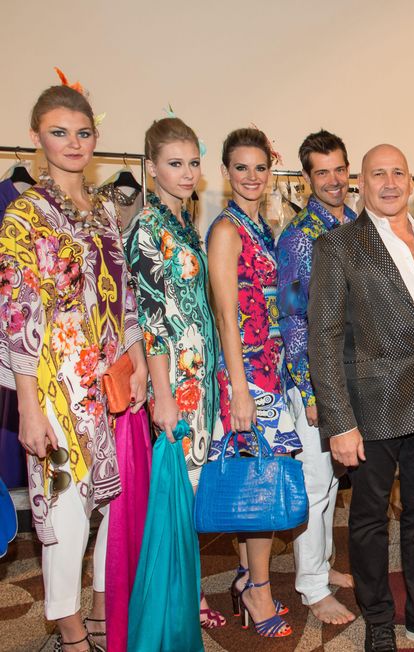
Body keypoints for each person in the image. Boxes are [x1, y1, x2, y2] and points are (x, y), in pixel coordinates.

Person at [308, 144, 414, 652]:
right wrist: (340, 422)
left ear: (411, 181)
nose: (389, 183)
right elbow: (323, 340)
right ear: (360, 183)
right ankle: (379, 619)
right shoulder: (338, 245)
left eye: (398, 173)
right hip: (371, 408)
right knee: (368, 521)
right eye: (378, 174)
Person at [0, 83, 148, 651]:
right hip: (55, 380)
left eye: (83, 133)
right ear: (36, 137)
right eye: (59, 132)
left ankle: (105, 605)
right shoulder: (24, 213)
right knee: (65, 505)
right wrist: (28, 407)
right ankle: (67, 626)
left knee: (114, 501)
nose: (73, 143)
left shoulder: (106, 209)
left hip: (110, 377)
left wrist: (137, 362)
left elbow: (125, 296)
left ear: (96, 138)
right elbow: (16, 312)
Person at [126, 116, 223, 629]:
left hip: (200, 379)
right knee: (177, 493)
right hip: (177, 386)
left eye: (193, 163)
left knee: (191, 490)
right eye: (174, 163)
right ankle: (183, 600)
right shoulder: (147, 227)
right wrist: (162, 395)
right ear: (151, 167)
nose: (187, 173)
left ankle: (189, 590)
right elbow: (151, 320)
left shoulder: (182, 222)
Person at [206, 127, 301, 639]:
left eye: (260, 167)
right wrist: (240, 389)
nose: (251, 176)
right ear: (226, 172)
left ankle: (247, 577)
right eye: (241, 167)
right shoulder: (227, 230)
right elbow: (226, 314)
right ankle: (259, 590)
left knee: (251, 477)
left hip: (268, 368)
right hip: (247, 374)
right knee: (263, 480)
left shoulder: (259, 225)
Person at [276, 129, 355, 625]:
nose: (333, 180)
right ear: (307, 178)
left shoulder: (354, 224)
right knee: (315, 481)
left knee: (331, 481)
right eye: (321, 172)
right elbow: (292, 319)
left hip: (349, 375)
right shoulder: (300, 237)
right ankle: (311, 586)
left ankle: (323, 564)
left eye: (339, 169)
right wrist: (308, 391)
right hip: (313, 380)